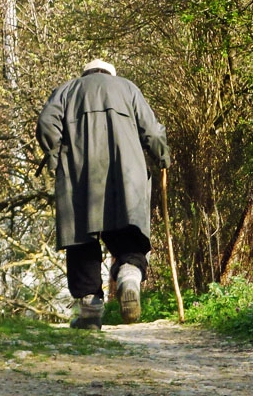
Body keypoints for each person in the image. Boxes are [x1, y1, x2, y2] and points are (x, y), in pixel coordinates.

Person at [36, 58, 171, 329]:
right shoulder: (128, 89)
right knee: (127, 235)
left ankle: (89, 314)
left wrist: (53, 156)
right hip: (125, 177)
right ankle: (129, 278)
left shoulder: (67, 91)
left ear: (85, 73)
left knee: (81, 242)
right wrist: (162, 156)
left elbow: (46, 123)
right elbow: (152, 131)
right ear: (111, 74)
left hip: (79, 177)